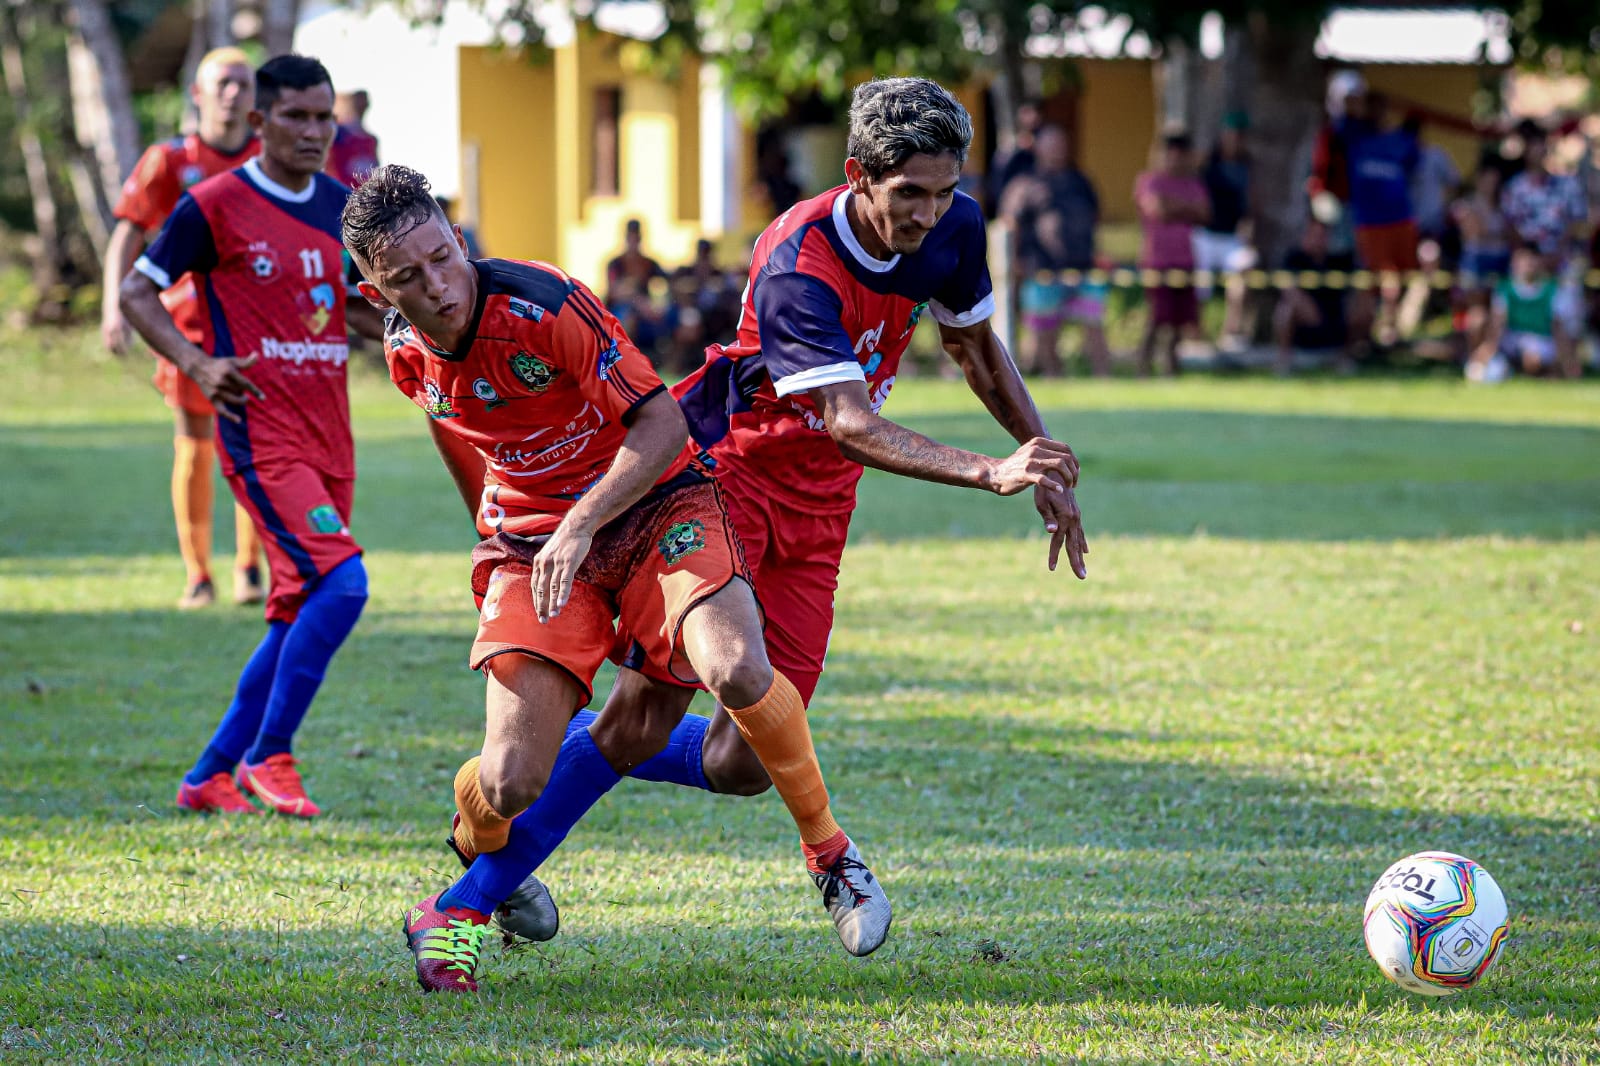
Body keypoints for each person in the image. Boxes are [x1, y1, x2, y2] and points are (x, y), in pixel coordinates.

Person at [486, 77, 1089, 950]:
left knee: (742, 765)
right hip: (722, 479)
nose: (929, 212)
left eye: (944, 189)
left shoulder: (954, 227)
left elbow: (976, 351)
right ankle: (476, 883)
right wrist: (991, 470)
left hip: (820, 506)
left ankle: (562, 747)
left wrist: (1043, 457)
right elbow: (848, 421)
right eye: (907, 193)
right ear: (857, 175)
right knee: (646, 716)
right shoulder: (796, 260)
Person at [342, 165, 897, 992]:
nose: (438, 287)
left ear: (458, 240)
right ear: (374, 290)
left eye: (441, 258)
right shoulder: (402, 350)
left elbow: (663, 420)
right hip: (533, 547)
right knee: (508, 779)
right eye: (408, 279)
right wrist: (494, 534)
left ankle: (830, 853)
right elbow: (458, 433)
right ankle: (473, 863)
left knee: (740, 671)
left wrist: (580, 521)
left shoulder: (544, 304)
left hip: (656, 504)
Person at [119, 55, 385, 819]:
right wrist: (197, 363)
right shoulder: (213, 204)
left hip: (332, 433)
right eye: (295, 117)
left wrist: (416, 334)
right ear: (260, 122)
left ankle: (208, 774)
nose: (311, 130)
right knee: (344, 583)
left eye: (322, 116)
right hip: (261, 435)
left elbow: (353, 310)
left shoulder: (341, 207)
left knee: (296, 608)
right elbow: (138, 290)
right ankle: (271, 753)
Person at [100, 47, 267, 610]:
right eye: (221, 83)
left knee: (255, 447)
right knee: (195, 446)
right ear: (196, 94)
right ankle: (198, 574)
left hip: (255, 330)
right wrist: (112, 307)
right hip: (186, 329)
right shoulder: (171, 159)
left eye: (242, 83)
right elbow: (128, 231)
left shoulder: (268, 158)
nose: (232, 93)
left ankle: (249, 567)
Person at [997, 124, 1110, 376]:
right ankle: (1053, 380)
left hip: (1084, 267)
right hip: (1042, 270)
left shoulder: (1080, 180)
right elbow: (1009, 225)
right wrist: (1014, 262)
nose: (1058, 150)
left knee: (1095, 326)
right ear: (1037, 147)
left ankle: (1105, 379)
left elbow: (1095, 216)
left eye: (1061, 144)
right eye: (1052, 144)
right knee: (1045, 334)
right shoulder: (1024, 185)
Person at [1500, 121, 1589, 349]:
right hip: (1528, 264)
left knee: (1569, 312)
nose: (1538, 152)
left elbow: (1577, 222)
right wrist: (1531, 261)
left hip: (1562, 262)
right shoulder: (1515, 187)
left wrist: (1557, 255)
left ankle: (1569, 362)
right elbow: (1510, 227)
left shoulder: (1567, 185)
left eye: (1542, 146)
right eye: (1533, 147)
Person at [1342, 92, 1421, 345]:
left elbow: (1412, 162)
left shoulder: (1401, 142)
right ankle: (1366, 336)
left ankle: (1392, 331)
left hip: (1399, 220)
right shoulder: (1354, 137)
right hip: (1370, 223)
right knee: (1375, 281)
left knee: (1404, 279)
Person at [1134, 131, 1209, 376]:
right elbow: (1158, 210)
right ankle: (1142, 367)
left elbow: (1204, 213)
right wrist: (1185, 208)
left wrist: (1173, 205)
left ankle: (1170, 368)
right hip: (1157, 260)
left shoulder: (1193, 183)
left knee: (1179, 320)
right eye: (1171, 155)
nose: (1175, 161)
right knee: (1157, 317)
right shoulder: (1149, 181)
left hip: (1186, 259)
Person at [1273, 218, 1371, 375]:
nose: (1318, 240)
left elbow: (1364, 275)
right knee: (1286, 307)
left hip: (1336, 324)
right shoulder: (1294, 259)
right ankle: (1284, 361)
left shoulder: (1339, 260)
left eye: (1322, 235)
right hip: (1306, 326)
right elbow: (1286, 287)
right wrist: (1309, 310)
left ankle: (1345, 357)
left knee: (1364, 303)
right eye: (1314, 235)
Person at [1467, 243, 1578, 381]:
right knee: (1477, 318)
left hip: (1540, 339)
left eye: (1532, 260)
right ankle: (1498, 367)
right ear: (1514, 263)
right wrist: (1487, 351)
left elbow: (1558, 328)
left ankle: (1544, 372)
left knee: (1533, 360)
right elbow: (1498, 324)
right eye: (1523, 260)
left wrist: (1569, 361)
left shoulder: (1552, 289)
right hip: (1512, 338)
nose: (1528, 265)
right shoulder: (1504, 288)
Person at [1196, 112, 1253, 348]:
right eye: (1232, 135)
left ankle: (1231, 330)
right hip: (1206, 235)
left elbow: (1251, 203)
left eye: (1240, 136)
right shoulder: (1209, 163)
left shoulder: (1246, 167)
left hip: (1232, 236)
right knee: (1200, 286)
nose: (1236, 140)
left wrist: (1248, 231)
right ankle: (1196, 334)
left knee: (1242, 274)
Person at [604, 218, 669, 359]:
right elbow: (613, 292)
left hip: (644, 311)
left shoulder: (648, 263)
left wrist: (660, 305)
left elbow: (668, 282)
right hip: (621, 310)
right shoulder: (616, 263)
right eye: (631, 237)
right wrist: (637, 300)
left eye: (636, 237)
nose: (633, 241)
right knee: (628, 318)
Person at [323, 89, 379, 188]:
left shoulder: (371, 140)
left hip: (365, 197)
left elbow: (375, 171)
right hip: (340, 193)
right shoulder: (339, 133)